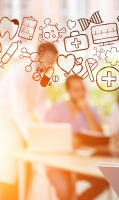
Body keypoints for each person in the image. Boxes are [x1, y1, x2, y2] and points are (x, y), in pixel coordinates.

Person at [0, 43, 58, 200]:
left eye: (53, 62)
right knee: (9, 172)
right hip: (7, 123)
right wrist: (37, 139)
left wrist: (48, 131)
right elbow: (20, 112)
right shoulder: (21, 72)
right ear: (38, 56)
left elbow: (40, 107)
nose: (51, 65)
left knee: (25, 170)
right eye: (49, 60)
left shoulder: (41, 75)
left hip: (20, 124)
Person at [45, 75, 109, 200]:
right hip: (58, 164)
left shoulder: (90, 110)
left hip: (83, 163)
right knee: (64, 190)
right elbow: (47, 139)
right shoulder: (55, 110)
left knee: (103, 181)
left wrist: (86, 111)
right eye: (76, 90)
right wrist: (67, 142)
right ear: (68, 91)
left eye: (82, 89)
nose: (81, 93)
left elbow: (99, 136)